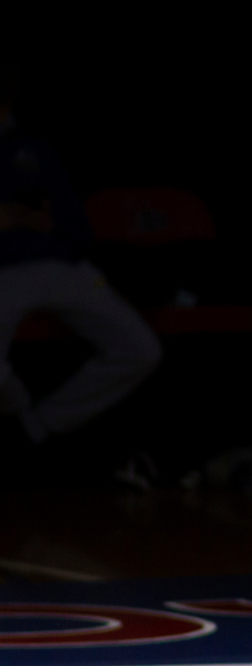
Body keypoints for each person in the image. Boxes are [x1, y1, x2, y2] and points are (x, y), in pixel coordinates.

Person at [0, 70, 161, 446]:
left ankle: (35, 427)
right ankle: (17, 409)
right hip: (4, 274)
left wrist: (45, 225)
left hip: (59, 265)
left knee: (140, 349)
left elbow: (75, 224)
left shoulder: (33, 148)